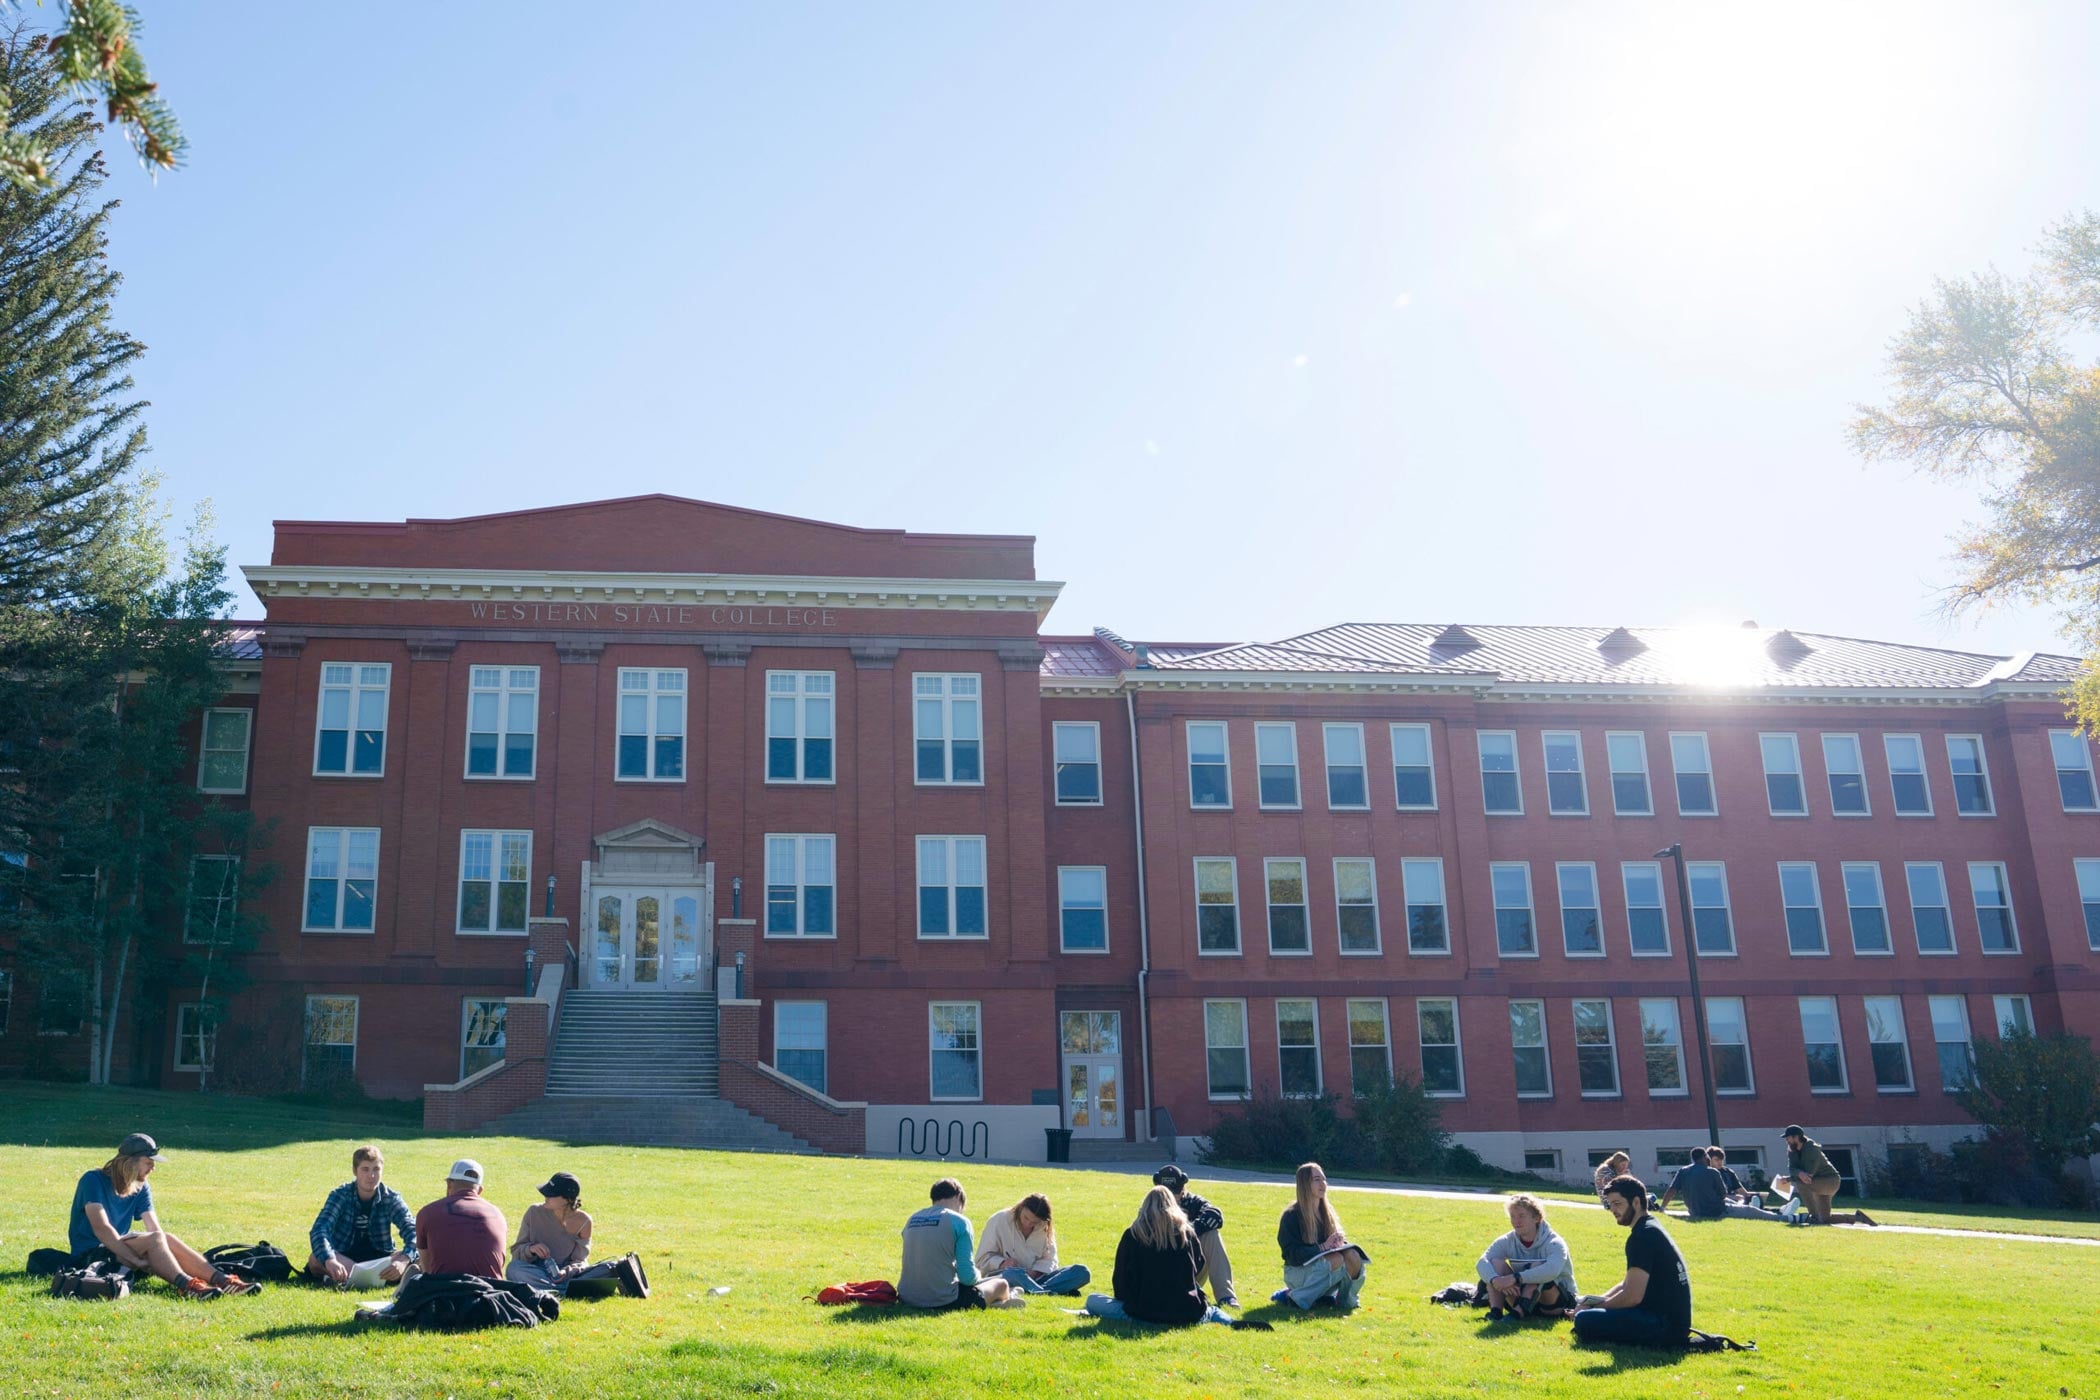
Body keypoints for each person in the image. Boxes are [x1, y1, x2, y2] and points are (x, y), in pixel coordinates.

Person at [67, 1132, 257, 1298]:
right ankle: (187, 1286)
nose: (153, 1168)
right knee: (155, 1239)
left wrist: (158, 1252)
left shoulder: (140, 1185)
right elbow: (102, 1229)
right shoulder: (92, 1180)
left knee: (165, 1237)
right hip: (91, 1257)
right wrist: (137, 1260)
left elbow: (155, 1229)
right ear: (129, 1162)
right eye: (148, 1163)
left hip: (119, 1249)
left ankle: (224, 1281)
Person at [1083, 1185, 1234, 1326]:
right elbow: (1198, 1267)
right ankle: (1234, 1322)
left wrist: (1129, 1301)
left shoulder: (1133, 1234)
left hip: (1142, 1312)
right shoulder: (1186, 1233)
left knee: (1092, 1300)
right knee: (1213, 1311)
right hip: (1186, 1311)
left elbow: (1120, 1281)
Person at [1572, 1176, 1692, 1348]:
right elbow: (1627, 1284)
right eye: (1610, 1205)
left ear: (1636, 1202)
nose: (1613, 1210)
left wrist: (1595, 1309)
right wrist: (1592, 1302)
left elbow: (1632, 1296)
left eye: (1618, 1204)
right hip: (1671, 1322)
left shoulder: (1642, 1237)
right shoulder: (1650, 1227)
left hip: (1663, 1326)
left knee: (1584, 1320)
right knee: (1588, 1315)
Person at [306, 1144, 416, 1286]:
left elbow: (413, 1230)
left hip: (379, 1259)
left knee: (421, 1258)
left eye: (376, 1169)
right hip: (344, 1256)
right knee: (315, 1259)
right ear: (355, 1171)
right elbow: (320, 1229)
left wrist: (403, 1260)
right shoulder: (340, 1195)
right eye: (365, 1169)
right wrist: (330, 1259)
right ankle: (355, 1277)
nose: (371, 1176)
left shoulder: (391, 1198)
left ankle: (346, 1280)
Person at [898, 1178, 1014, 1309]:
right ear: (959, 1197)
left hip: (906, 1297)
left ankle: (998, 1298)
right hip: (944, 1300)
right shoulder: (960, 1221)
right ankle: (1005, 1298)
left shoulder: (912, 1219)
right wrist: (979, 1274)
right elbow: (967, 1277)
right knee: (1002, 1283)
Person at [505, 1170, 620, 1294]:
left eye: (551, 1194)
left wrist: (566, 1272)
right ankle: (566, 1290)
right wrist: (531, 1249)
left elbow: (580, 1260)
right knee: (514, 1269)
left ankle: (554, 1289)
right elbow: (516, 1251)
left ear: (568, 1199)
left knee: (610, 1268)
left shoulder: (584, 1221)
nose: (546, 1197)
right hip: (536, 1271)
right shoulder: (534, 1212)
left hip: (568, 1276)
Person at [1272, 1162, 1368, 1311]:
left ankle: (1345, 1302)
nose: (1323, 1183)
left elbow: (1332, 1248)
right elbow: (1292, 1255)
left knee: (1353, 1256)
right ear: (1305, 1184)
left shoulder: (1326, 1213)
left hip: (1323, 1271)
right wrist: (1322, 1247)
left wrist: (1339, 1243)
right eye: (1317, 1179)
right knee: (1336, 1259)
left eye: (1324, 1179)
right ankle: (1296, 1298)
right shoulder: (1291, 1216)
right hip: (1297, 1271)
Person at [1476, 1194, 1577, 1318]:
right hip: (1521, 1296)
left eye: (1521, 1216)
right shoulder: (1508, 1240)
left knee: (1538, 1266)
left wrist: (1515, 1278)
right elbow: (1482, 1261)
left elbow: (1552, 1270)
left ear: (1536, 1218)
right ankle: (1495, 1313)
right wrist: (1495, 1280)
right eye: (1512, 1216)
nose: (1516, 1221)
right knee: (1495, 1263)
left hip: (1556, 1304)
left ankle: (1517, 1314)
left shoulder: (1554, 1242)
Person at [1153, 1164, 1236, 1308]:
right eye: (1167, 1193)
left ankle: (1226, 1296)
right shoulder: (1150, 1208)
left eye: (1175, 1192)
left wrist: (1188, 1231)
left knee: (1211, 1234)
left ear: (1183, 1189)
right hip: (1160, 1273)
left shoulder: (1193, 1203)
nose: (1172, 1198)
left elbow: (1215, 1215)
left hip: (1190, 1268)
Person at [975, 1192, 1090, 1295]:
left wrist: (1035, 1272)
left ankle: (1039, 1290)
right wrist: (1002, 1263)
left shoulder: (1044, 1226)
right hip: (1005, 1277)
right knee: (1012, 1274)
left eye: (1034, 1222)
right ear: (1021, 1207)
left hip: (1037, 1278)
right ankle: (1051, 1290)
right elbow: (981, 1259)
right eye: (1025, 1218)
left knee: (1082, 1272)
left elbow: (1051, 1260)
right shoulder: (999, 1220)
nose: (1028, 1224)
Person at [414, 1158, 508, 1279]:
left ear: (449, 1184)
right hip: (489, 1292)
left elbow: (427, 1269)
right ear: (479, 1190)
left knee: (415, 1278)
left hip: (442, 1292)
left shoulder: (428, 1212)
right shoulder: (498, 1215)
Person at [1783, 1126, 1877, 1226]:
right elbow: (1792, 1169)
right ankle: (1858, 1217)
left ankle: (1814, 1216)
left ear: (1796, 1137)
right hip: (1817, 1183)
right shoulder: (1792, 1151)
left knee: (1801, 1183)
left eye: (1788, 1138)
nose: (1786, 1141)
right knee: (1825, 1219)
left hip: (1830, 1181)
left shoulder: (1811, 1149)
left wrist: (1794, 1176)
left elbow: (1808, 1175)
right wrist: (1792, 1176)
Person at [1705, 1147, 1786, 1222]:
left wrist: (1750, 1195)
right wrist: (1733, 1197)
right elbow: (1714, 1195)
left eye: (1721, 1160)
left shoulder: (1728, 1172)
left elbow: (1741, 1190)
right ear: (1709, 1160)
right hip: (1724, 1202)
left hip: (1737, 1200)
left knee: (1754, 1198)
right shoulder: (1707, 1174)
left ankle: (1780, 1210)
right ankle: (1780, 1212)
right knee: (1750, 1207)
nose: (1720, 1162)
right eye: (1717, 1160)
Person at [1656, 1147, 1729, 1221]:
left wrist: (1662, 1207)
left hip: (1694, 1211)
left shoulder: (1683, 1171)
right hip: (1716, 1211)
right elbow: (1723, 1194)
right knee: (1740, 1207)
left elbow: (1672, 1190)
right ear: (1705, 1156)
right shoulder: (1713, 1172)